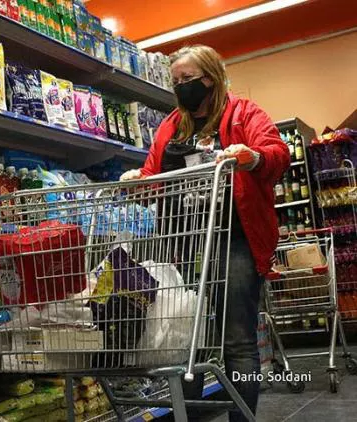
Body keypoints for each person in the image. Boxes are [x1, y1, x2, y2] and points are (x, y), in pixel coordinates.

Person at [121, 45, 290, 421]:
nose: (181, 86)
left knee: (237, 341)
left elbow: (277, 154)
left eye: (188, 79)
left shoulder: (244, 113)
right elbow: (153, 176)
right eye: (176, 81)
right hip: (182, 244)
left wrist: (252, 156)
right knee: (185, 338)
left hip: (234, 239)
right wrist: (138, 182)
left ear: (210, 79)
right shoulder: (171, 125)